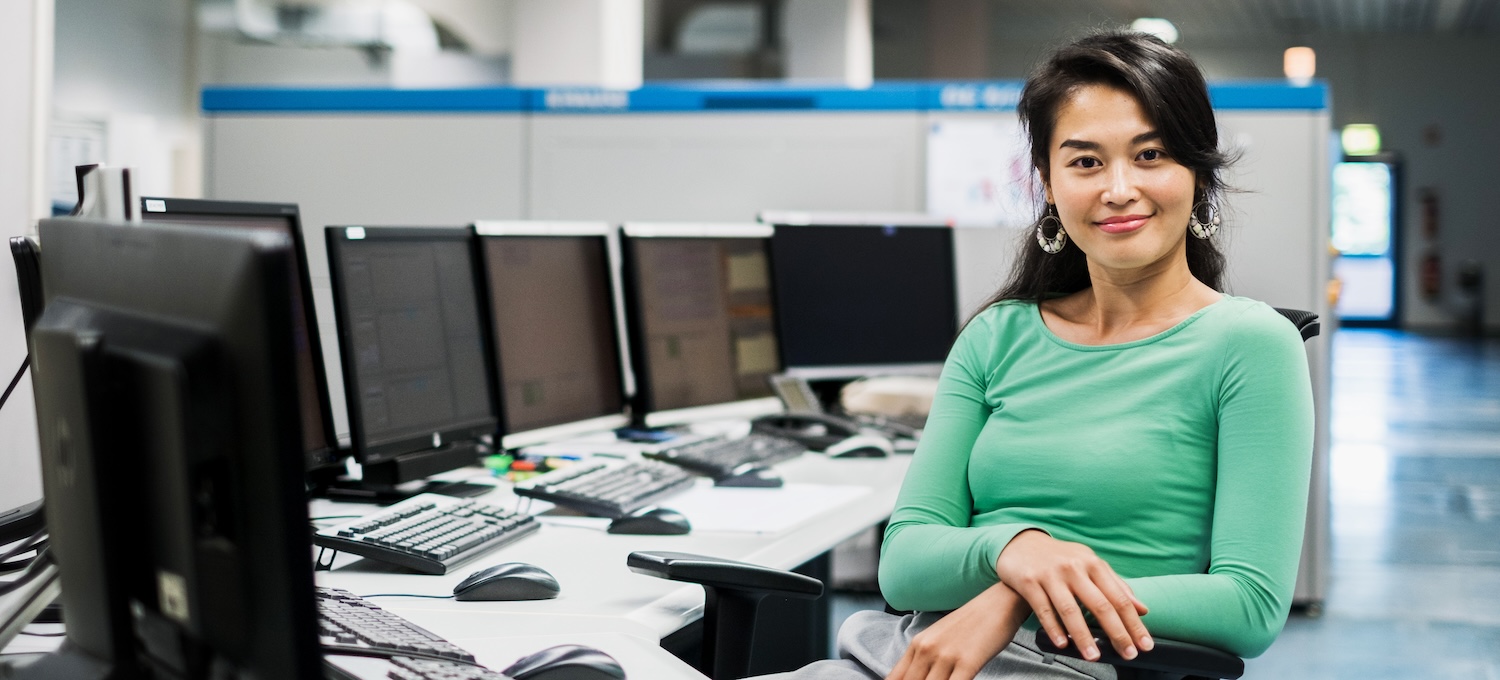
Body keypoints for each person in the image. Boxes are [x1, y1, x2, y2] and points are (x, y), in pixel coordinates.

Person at [763, 30, 1315, 680]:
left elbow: (1248, 608)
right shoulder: (997, 336)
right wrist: (1016, 551)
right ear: (1048, 183)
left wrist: (1017, 595)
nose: (1118, 188)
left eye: (1151, 154)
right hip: (903, 657)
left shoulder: (1250, 345)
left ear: (1196, 172)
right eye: (1085, 162)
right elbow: (904, 563)